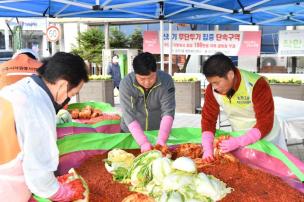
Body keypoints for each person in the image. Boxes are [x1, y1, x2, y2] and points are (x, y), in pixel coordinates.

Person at [0, 52, 89, 201]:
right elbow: (39, 174)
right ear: (62, 85)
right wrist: (62, 193)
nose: (69, 98)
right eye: (73, 93)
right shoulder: (37, 106)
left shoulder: (21, 88)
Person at [201, 53, 287, 162]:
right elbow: (208, 119)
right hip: (239, 134)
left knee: (273, 170)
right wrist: (207, 147)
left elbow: (265, 122)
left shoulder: (257, 84)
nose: (215, 87)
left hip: (266, 137)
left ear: (231, 74)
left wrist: (240, 141)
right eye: (211, 83)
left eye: (217, 82)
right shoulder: (212, 89)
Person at [119, 52, 176, 152]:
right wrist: (143, 142)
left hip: (156, 132)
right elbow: (129, 116)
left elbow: (168, 111)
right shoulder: (126, 84)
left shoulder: (166, 81)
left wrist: (161, 139)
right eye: (142, 79)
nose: (147, 82)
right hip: (130, 133)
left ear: (156, 71)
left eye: (151, 77)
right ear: (135, 73)